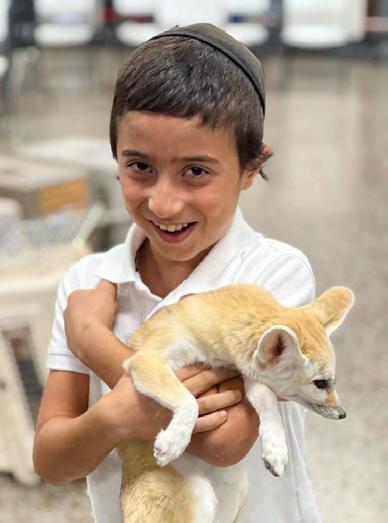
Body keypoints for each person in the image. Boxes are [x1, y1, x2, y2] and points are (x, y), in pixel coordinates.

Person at [33, 23, 321, 523]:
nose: (163, 203)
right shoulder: (89, 282)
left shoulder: (273, 276)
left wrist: (94, 343)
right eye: (139, 166)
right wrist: (112, 419)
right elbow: (52, 461)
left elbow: (224, 442)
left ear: (251, 168)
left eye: (196, 171)